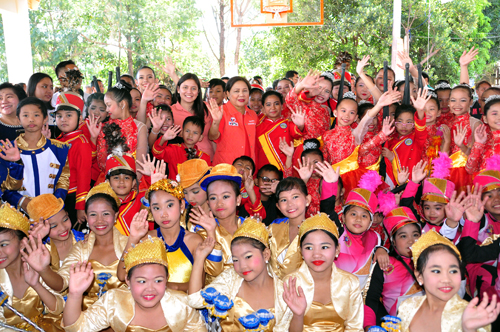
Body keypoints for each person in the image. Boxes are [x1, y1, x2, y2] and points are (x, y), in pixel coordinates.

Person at [62, 237, 207, 331]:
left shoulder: (182, 305)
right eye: (142, 281)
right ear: (128, 281)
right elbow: (76, 328)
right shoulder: (113, 302)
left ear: (167, 279)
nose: (150, 288)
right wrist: (75, 294)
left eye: (158, 280)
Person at [35, 182, 129, 310]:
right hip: (88, 320)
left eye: (106, 214)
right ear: (86, 217)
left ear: (116, 216)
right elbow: (62, 283)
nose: (99, 220)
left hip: (123, 317)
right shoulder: (81, 248)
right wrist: (43, 270)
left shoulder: (130, 244)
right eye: (93, 214)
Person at [188, 217, 290, 331]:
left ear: (266, 254)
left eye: (248, 257)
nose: (242, 266)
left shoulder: (283, 292)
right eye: (235, 260)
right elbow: (194, 300)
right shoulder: (230, 279)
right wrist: (199, 258)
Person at [398, 229, 499, 332]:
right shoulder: (407, 307)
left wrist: (468, 330)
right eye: (436, 271)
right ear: (419, 276)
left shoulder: (472, 316)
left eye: (453, 271)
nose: (446, 279)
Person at [117, 179, 203, 292]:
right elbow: (122, 275)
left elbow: (201, 284)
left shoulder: (194, 241)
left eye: (170, 205)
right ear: (151, 210)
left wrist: (170, 286)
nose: (164, 214)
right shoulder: (147, 239)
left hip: (184, 306)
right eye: (157, 208)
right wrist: (133, 238)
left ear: (181, 205)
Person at [282, 212, 364, 332]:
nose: (316, 254)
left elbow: (355, 328)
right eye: (309, 247)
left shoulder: (350, 282)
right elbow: (282, 328)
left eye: (324, 247)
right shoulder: (291, 283)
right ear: (301, 252)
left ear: (337, 249)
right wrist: (298, 315)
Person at [0, 203, 65, 332]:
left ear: (22, 243)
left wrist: (36, 285)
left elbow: (58, 308)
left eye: (3, 244)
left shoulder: (35, 266)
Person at [364, 194, 424, 329]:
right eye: (403, 236)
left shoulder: (430, 260)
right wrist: (369, 326)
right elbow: (372, 299)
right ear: (393, 242)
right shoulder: (384, 263)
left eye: (415, 235)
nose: (411, 240)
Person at [3, 97, 70, 212]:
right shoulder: (8, 149)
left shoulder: (59, 148)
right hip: (18, 213)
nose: (31, 119)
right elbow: (5, 188)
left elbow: (63, 179)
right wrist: (23, 202)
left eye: (36, 115)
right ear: (18, 119)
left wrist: (55, 202)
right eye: (25, 115)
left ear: (45, 119)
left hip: (51, 210)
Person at [89, 82, 148, 182]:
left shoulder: (140, 127)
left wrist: (133, 183)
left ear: (122, 104)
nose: (107, 110)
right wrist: (94, 138)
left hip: (133, 180)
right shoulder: (104, 127)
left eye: (108, 105)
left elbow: (140, 161)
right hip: (108, 180)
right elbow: (101, 161)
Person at [53, 82, 92, 226]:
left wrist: (81, 206)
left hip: (73, 196)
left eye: (69, 115)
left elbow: (84, 176)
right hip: (59, 194)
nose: (63, 119)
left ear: (80, 119)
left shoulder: (81, 142)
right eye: (59, 115)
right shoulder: (59, 140)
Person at [209, 77, 259, 165]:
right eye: (236, 91)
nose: (241, 94)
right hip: (226, 168)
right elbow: (213, 136)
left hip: (248, 169)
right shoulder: (221, 111)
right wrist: (216, 121)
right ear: (227, 94)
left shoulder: (253, 114)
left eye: (245, 91)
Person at [255, 90, 304, 172]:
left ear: (282, 106)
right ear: (263, 108)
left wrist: (300, 125)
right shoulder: (258, 127)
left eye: (276, 104)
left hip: (286, 168)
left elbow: (297, 134)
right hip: (264, 170)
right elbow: (255, 152)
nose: (273, 108)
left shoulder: (288, 123)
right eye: (268, 105)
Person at [152, 116, 211, 180]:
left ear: (200, 137)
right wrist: (164, 139)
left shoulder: (204, 157)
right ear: (182, 133)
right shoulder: (173, 149)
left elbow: (208, 178)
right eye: (187, 131)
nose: (190, 135)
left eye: (195, 133)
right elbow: (157, 153)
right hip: (174, 189)